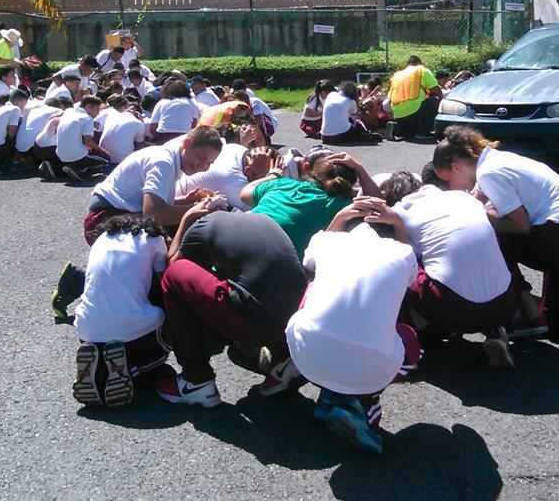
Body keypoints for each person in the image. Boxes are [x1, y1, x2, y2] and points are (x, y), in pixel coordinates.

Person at [432, 126, 559, 371]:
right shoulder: (499, 159)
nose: (452, 187)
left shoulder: (489, 173)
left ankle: (525, 309)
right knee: (556, 324)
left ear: (456, 166)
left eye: (448, 181)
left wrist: (476, 213)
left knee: (483, 233)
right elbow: (493, 201)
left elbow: (519, 226)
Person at [286, 215, 421, 454]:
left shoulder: (328, 242)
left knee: (315, 292)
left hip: (305, 355)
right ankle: (360, 405)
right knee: (409, 342)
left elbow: (309, 262)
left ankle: (329, 397)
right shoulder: (400, 252)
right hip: (367, 370)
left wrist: (339, 216)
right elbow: (411, 280)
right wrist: (399, 225)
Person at [157, 208, 308, 408]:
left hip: (256, 324)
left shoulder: (202, 225)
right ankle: (286, 358)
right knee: (263, 287)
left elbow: (172, 263)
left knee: (176, 275)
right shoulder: (262, 220)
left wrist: (185, 218)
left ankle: (195, 381)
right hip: (297, 326)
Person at [382, 172, 519, 368]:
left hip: (453, 308)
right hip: (504, 303)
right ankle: (495, 328)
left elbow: (407, 258)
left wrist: (397, 227)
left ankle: (416, 334)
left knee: (404, 266)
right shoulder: (463, 198)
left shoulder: (401, 212)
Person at [71, 214, 175, 408]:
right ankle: (130, 370)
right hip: (131, 333)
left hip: (86, 329)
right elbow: (165, 283)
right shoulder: (155, 239)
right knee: (162, 312)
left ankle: (99, 371)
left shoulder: (101, 240)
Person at [84, 125, 223, 244]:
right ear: (186, 144)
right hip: (102, 219)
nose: (204, 167)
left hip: (117, 213)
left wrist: (185, 201)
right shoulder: (163, 162)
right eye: (201, 158)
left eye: (209, 163)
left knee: (177, 236)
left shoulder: (175, 158)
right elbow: (155, 214)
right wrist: (201, 210)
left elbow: (151, 203)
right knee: (173, 245)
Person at [240, 152, 379, 256]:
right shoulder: (339, 206)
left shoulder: (281, 184)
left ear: (311, 171)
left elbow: (244, 194)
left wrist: (273, 175)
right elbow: (379, 205)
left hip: (236, 244)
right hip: (271, 269)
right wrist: (359, 168)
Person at [176, 144, 276, 212]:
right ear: (248, 172)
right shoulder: (235, 184)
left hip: (174, 194)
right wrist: (264, 175)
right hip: (175, 212)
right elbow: (263, 212)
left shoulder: (237, 148)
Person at [387, 56, 442, 140]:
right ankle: (423, 132)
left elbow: (389, 98)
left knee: (409, 133)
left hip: (398, 113)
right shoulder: (422, 70)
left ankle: (396, 128)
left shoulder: (397, 75)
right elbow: (437, 92)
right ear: (419, 63)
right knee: (436, 100)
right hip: (414, 111)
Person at [56, 95, 109, 182]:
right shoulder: (87, 118)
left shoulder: (69, 112)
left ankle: (67, 167)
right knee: (105, 159)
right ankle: (81, 170)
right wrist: (102, 150)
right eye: (97, 109)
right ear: (88, 107)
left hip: (60, 154)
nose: (98, 113)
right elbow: (88, 142)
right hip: (77, 155)